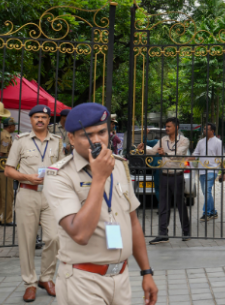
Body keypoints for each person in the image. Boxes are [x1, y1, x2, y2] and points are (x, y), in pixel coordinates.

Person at [43, 103, 158, 305]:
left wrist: (146, 272)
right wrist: (98, 179)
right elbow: (79, 234)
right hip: (83, 282)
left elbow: (132, 222)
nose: (96, 140)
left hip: (121, 279)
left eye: (102, 132)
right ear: (71, 137)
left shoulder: (119, 165)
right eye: (87, 135)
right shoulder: (59, 175)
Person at [4, 105, 62, 301]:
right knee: (27, 241)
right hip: (27, 193)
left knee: (54, 237)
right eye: (36, 117)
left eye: (44, 117)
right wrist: (26, 176)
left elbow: (62, 167)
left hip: (50, 196)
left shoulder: (58, 142)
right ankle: (30, 282)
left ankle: (46, 277)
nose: (40, 120)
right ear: (31, 120)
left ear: (48, 120)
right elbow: (8, 170)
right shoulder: (20, 141)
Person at [146, 117, 191, 243]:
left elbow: (178, 154)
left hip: (177, 176)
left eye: (168, 126)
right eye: (166, 126)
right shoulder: (163, 140)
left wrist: (164, 154)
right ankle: (162, 233)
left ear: (176, 127)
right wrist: (142, 148)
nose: (166, 129)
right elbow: (153, 150)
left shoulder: (184, 140)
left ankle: (186, 231)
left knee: (180, 204)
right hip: (164, 175)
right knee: (163, 205)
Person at [192, 122, 223, 222]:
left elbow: (221, 158)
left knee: (207, 190)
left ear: (212, 131)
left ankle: (206, 213)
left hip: (212, 169)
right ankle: (213, 212)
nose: (204, 130)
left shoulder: (218, 142)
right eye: (204, 129)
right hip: (201, 170)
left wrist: (223, 172)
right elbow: (195, 154)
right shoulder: (201, 142)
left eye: (206, 129)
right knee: (206, 192)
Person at [0, 117, 18, 227]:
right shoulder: (6, 136)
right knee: (8, 194)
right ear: (10, 126)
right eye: (14, 125)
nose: (15, 127)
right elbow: (2, 153)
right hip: (5, 167)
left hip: (0, 168)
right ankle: (7, 219)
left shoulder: (1, 134)